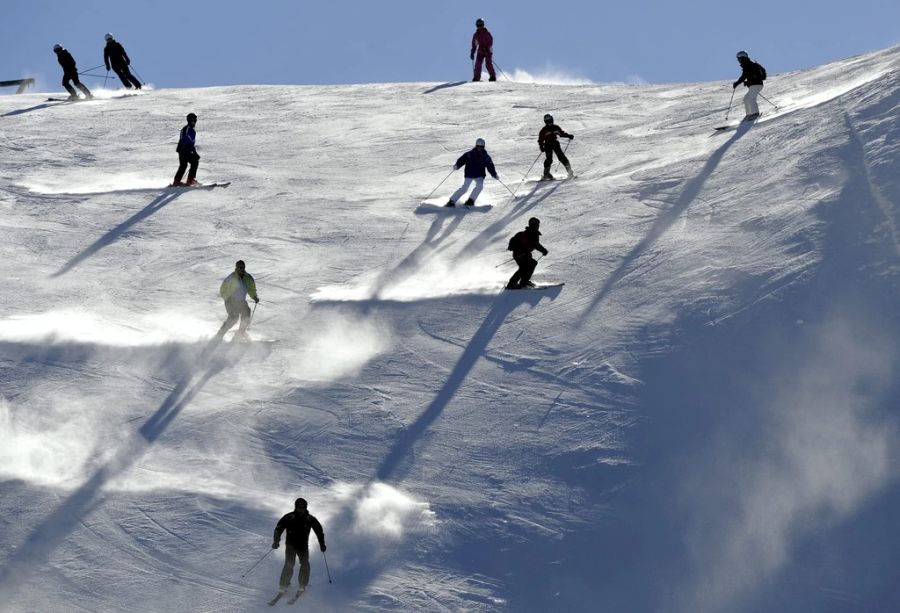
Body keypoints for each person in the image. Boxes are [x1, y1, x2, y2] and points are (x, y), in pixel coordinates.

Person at [272, 497, 326, 598]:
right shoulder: (289, 517)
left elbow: (319, 531)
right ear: (296, 507)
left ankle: (302, 585)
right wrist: (276, 541)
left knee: (305, 564)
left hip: (303, 547)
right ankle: (284, 585)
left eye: (303, 507)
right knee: (289, 565)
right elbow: (278, 529)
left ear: (306, 507)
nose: (301, 509)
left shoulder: (310, 519)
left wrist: (322, 544)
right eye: (299, 507)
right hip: (290, 546)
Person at [446, 138, 499, 207]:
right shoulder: (469, 154)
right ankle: (451, 201)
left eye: (482, 147)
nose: (480, 149)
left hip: (479, 175)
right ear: (476, 146)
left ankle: (470, 201)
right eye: (478, 147)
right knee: (465, 188)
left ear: (484, 147)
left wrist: (494, 174)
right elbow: (462, 160)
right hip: (469, 174)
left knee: (480, 186)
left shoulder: (486, 157)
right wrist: (457, 165)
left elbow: (490, 166)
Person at [216, 260, 259, 340]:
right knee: (233, 317)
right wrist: (226, 298)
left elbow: (251, 289)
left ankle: (240, 334)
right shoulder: (231, 277)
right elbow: (223, 288)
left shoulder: (248, 278)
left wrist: (254, 297)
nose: (242, 269)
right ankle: (220, 334)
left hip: (241, 301)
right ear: (236, 268)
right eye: (240, 267)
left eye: (243, 267)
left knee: (246, 313)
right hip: (231, 300)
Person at [506, 217, 548, 289]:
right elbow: (536, 245)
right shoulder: (532, 233)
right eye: (537, 225)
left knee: (531, 264)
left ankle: (523, 282)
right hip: (521, 254)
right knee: (525, 267)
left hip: (520, 254)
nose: (538, 226)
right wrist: (544, 251)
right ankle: (512, 284)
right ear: (534, 225)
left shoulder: (524, 233)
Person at [538, 114, 574, 180]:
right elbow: (540, 139)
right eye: (548, 121)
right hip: (548, 145)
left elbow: (561, 134)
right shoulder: (544, 130)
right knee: (549, 159)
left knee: (562, 157)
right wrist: (541, 146)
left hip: (555, 143)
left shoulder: (555, 127)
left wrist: (568, 135)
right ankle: (546, 174)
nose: (550, 123)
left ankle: (570, 172)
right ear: (546, 122)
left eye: (551, 120)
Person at [732, 51, 767, 121]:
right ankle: (749, 114)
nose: (738, 61)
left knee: (751, 99)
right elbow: (751, 75)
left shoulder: (747, 65)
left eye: (739, 59)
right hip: (756, 84)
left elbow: (744, 76)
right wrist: (748, 82)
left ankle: (755, 113)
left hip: (755, 85)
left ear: (742, 58)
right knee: (746, 99)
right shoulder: (749, 65)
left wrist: (737, 83)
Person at [172, 113, 200, 186]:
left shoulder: (190, 129)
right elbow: (185, 141)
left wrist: (194, 151)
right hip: (183, 150)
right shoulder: (186, 129)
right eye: (193, 120)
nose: (194, 122)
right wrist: (193, 152)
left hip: (185, 149)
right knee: (188, 164)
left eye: (195, 120)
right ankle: (187, 181)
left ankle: (184, 181)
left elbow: (191, 143)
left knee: (189, 163)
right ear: (189, 120)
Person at [470, 18, 496, 82]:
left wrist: (487, 47)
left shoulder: (486, 33)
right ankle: (476, 77)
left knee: (488, 63)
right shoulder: (476, 35)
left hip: (488, 50)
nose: (479, 27)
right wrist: (473, 52)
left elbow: (490, 41)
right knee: (478, 63)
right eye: (478, 25)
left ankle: (492, 76)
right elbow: (474, 44)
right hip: (481, 50)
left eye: (480, 25)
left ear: (483, 25)